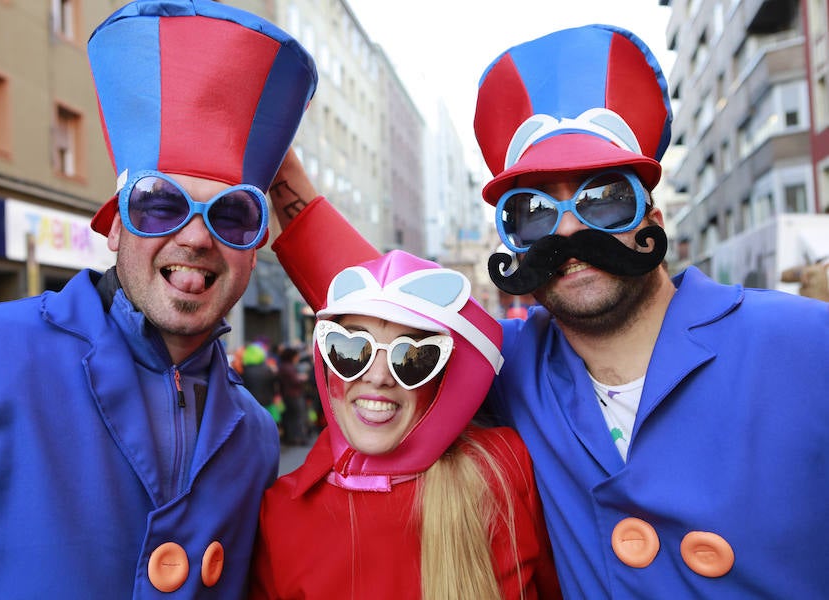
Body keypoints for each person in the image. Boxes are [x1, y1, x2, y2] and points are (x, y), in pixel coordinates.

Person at [266, 24, 829, 599]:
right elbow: (386, 307)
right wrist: (281, 177)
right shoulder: (515, 364)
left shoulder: (806, 345)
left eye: (605, 200)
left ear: (653, 224)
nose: (567, 229)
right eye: (531, 213)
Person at [0, 1, 317, 598]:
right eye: (160, 202)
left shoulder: (257, 437)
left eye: (234, 214)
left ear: (256, 245)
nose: (195, 236)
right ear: (113, 225)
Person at [249, 250, 561, 599]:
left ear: (444, 376)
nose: (378, 376)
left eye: (412, 357)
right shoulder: (280, 510)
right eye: (351, 349)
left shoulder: (502, 468)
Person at [276, 344, 310, 445]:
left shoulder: (283, 366)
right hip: (294, 395)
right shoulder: (288, 367)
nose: (297, 358)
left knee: (290, 418)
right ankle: (299, 438)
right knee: (297, 417)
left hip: (287, 395)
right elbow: (295, 381)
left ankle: (292, 438)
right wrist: (302, 378)